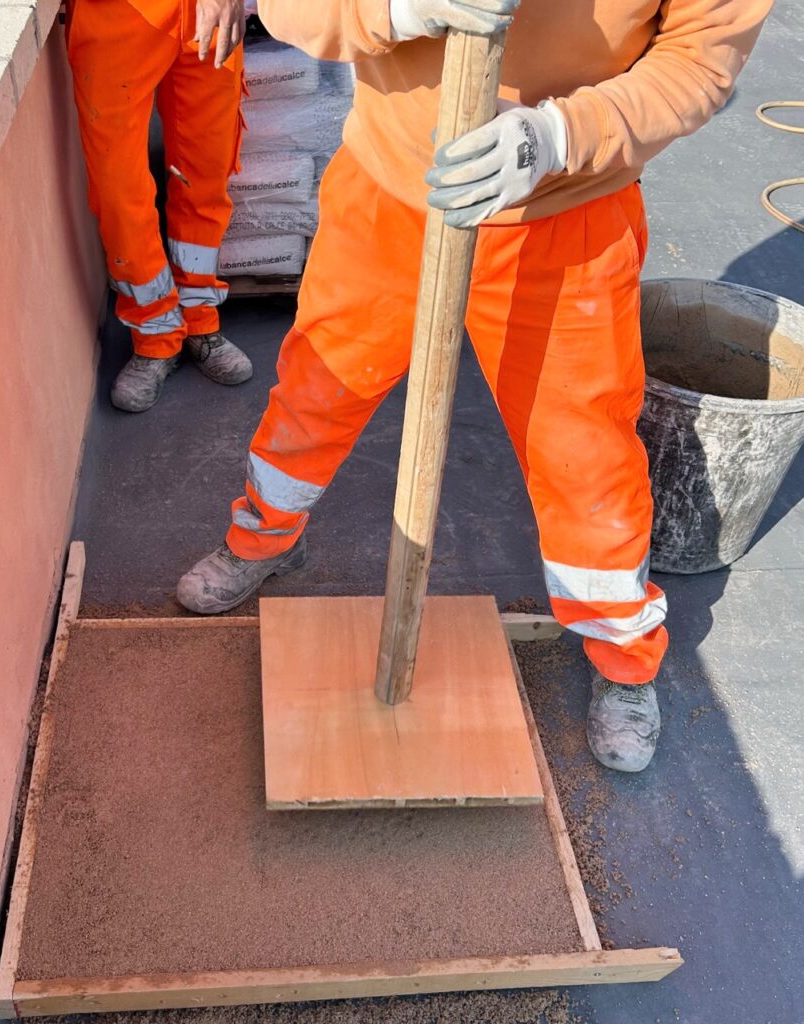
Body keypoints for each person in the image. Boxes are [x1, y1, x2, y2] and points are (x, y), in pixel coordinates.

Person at [176, 0, 772, 771]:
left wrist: (560, 136)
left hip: (568, 211)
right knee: (319, 391)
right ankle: (261, 537)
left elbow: (699, 62)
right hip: (392, 193)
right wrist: (397, 7)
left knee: (583, 452)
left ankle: (622, 651)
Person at [67, 0, 254, 412]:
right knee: (118, 187)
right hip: (118, 12)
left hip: (208, 10)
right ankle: (154, 336)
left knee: (206, 171)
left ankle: (199, 319)